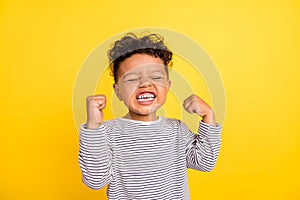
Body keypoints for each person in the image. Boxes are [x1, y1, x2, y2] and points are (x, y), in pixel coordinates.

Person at [79, 32, 222, 199]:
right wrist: (93, 127)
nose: (145, 83)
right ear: (117, 91)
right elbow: (95, 181)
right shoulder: (107, 133)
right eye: (132, 79)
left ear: (167, 86)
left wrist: (208, 116)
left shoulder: (177, 130)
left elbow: (205, 162)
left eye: (155, 76)